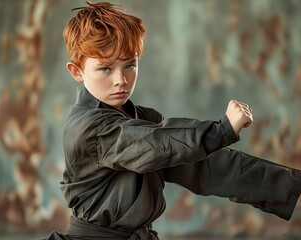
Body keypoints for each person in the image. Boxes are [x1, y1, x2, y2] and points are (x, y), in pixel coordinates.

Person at [46, 2, 301, 239]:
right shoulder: (89, 128)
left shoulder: (142, 118)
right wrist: (221, 130)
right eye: (105, 68)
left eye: (130, 65)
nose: (120, 80)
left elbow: (207, 168)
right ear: (77, 71)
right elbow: (157, 142)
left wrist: (289, 185)